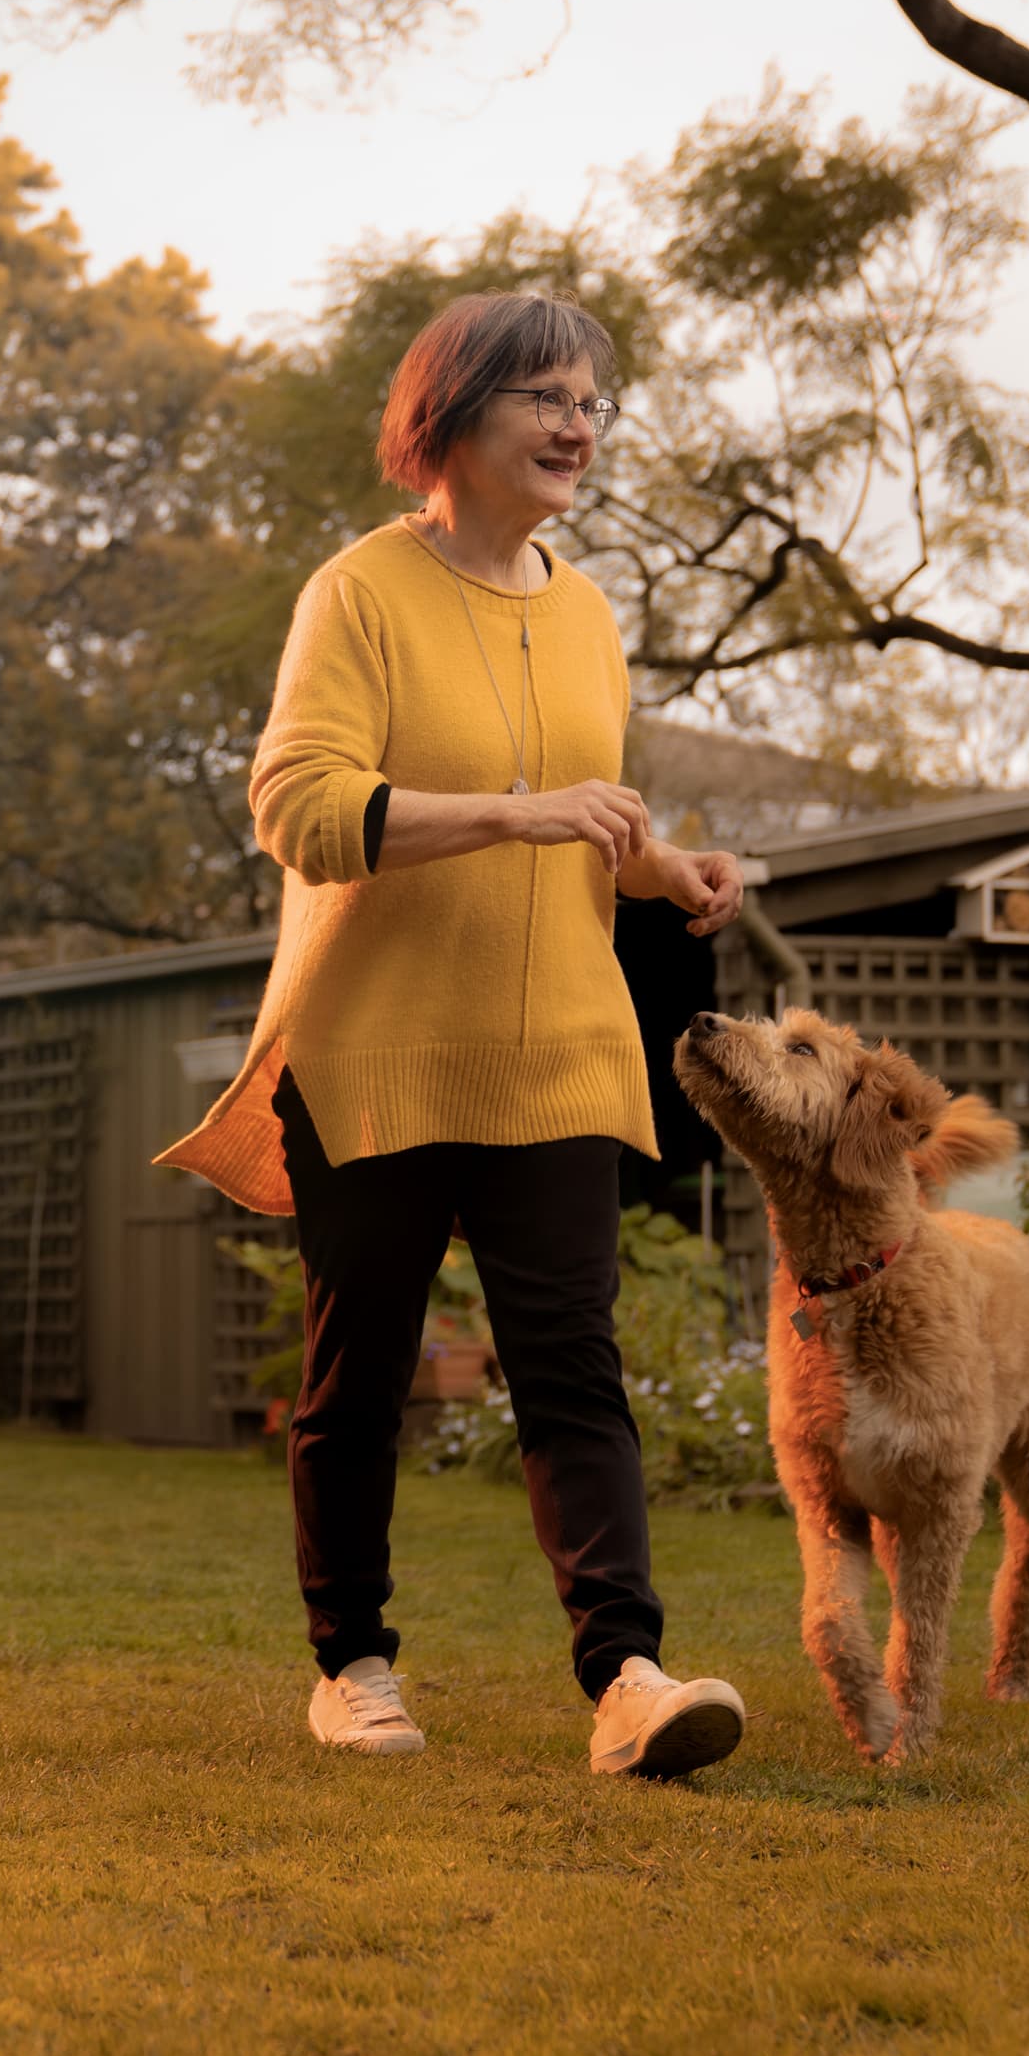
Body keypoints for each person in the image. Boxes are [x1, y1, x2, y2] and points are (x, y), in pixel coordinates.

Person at [161, 289, 752, 1778]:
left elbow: (582, 815)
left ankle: (628, 1679)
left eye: (590, 402)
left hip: (558, 1044)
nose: (577, 425)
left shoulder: (588, 609)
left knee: (572, 1371)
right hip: (378, 1051)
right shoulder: (359, 594)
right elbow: (297, 808)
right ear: (454, 414)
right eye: (544, 395)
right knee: (359, 1381)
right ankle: (351, 1663)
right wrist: (513, 815)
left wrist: (657, 866)